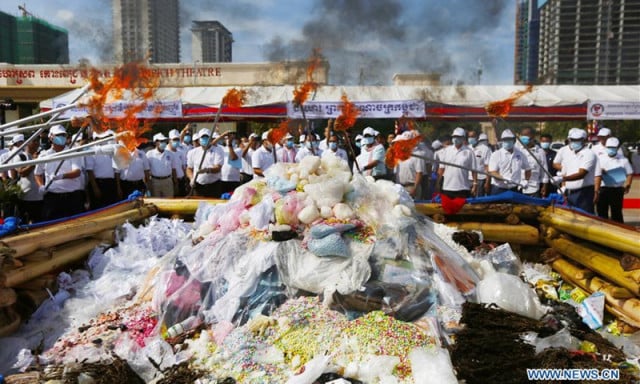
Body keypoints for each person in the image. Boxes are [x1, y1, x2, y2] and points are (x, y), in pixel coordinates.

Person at [34, 125, 85, 221]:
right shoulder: (44, 155)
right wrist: (40, 186)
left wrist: (62, 176)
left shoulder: (72, 152)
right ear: (51, 137)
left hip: (72, 197)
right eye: (58, 135)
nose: (61, 137)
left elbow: (77, 172)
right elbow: (37, 173)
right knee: (51, 224)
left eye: (63, 135)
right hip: (53, 198)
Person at [552, 128, 600, 214]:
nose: (574, 142)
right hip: (569, 192)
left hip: (584, 192)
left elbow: (582, 174)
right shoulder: (570, 154)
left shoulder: (588, 154)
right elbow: (565, 171)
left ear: (584, 140)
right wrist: (563, 186)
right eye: (572, 140)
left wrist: (563, 179)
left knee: (585, 218)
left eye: (578, 140)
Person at [596, 137, 633, 223]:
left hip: (617, 189)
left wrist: (628, 185)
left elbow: (630, 173)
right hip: (603, 189)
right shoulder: (600, 158)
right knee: (602, 213)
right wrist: (600, 171)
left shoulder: (624, 160)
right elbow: (595, 174)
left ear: (617, 148)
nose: (611, 149)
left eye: (613, 148)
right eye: (609, 147)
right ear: (606, 147)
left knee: (616, 213)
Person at [437, 127, 477, 198]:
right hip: (447, 187)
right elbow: (441, 169)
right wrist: (438, 182)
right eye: (454, 136)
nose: (455, 138)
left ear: (463, 138)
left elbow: (474, 170)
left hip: (463, 188)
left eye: (458, 137)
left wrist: (475, 184)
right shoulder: (446, 151)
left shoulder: (469, 152)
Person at [488, 129, 531, 195]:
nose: (507, 141)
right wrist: (503, 178)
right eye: (505, 140)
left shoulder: (520, 154)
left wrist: (526, 181)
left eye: (509, 139)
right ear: (502, 141)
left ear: (514, 141)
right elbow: (492, 172)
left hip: (515, 189)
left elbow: (528, 169)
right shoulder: (496, 154)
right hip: (499, 189)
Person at [12, 137, 44, 223]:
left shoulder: (42, 156)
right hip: (25, 197)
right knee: (23, 222)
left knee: (39, 222)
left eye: (38, 141)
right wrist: (34, 162)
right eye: (34, 141)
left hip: (40, 197)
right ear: (27, 143)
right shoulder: (20, 157)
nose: (37, 143)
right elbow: (22, 173)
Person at [86, 130, 120, 209]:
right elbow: (89, 170)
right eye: (99, 138)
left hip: (110, 183)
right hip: (98, 183)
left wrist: (117, 186)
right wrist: (95, 187)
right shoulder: (91, 150)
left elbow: (115, 169)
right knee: (98, 208)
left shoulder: (110, 150)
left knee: (112, 208)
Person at [186, 128, 224, 197]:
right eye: (203, 138)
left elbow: (218, 168)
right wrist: (191, 179)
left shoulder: (218, 150)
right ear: (199, 140)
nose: (205, 139)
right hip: (198, 186)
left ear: (211, 139)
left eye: (207, 137)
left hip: (213, 186)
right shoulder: (192, 152)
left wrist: (207, 170)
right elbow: (189, 168)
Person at [392, 132, 426, 199]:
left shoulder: (418, 155)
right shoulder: (398, 155)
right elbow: (395, 173)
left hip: (411, 187)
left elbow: (419, 173)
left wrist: (415, 189)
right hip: (399, 187)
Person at [518, 127, 549, 197]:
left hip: (534, 188)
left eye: (526, 135)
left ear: (532, 137)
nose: (523, 137)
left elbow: (544, 171)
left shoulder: (540, 152)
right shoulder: (518, 150)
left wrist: (544, 186)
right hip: (519, 188)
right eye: (522, 135)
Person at [147, 133, 177, 197]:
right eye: (161, 141)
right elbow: (146, 170)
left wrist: (175, 182)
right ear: (155, 143)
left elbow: (173, 169)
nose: (163, 143)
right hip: (155, 181)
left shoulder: (170, 154)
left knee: (169, 201)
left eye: (164, 141)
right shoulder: (149, 154)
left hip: (168, 181)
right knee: (156, 202)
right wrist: (148, 183)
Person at [467, 131, 492, 197]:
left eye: (472, 136)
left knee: (479, 201)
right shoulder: (467, 148)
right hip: (468, 179)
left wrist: (487, 182)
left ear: (477, 137)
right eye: (469, 137)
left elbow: (488, 167)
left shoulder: (485, 149)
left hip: (480, 180)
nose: (470, 138)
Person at [218, 131, 243, 196]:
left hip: (234, 180)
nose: (230, 140)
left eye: (233, 138)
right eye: (228, 138)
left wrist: (230, 145)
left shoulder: (239, 150)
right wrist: (222, 135)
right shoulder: (221, 148)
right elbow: (211, 144)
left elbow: (233, 158)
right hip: (223, 179)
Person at [168, 129, 188, 197]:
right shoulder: (166, 152)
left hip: (181, 180)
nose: (176, 142)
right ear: (169, 140)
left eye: (177, 140)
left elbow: (183, 167)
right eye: (174, 140)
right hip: (172, 181)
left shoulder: (180, 153)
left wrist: (186, 179)